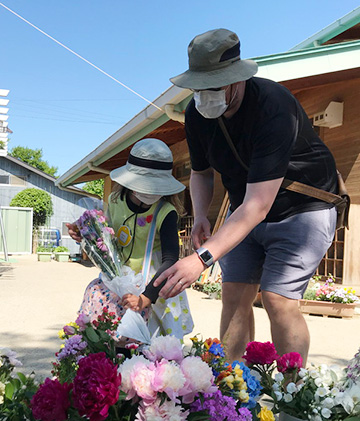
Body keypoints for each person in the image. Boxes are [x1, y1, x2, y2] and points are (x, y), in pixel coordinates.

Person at [154, 28, 338, 364]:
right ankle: (233, 391)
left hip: (304, 206)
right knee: (234, 295)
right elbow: (200, 171)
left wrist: (201, 259)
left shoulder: (273, 105)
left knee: (277, 298)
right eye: (198, 87)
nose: (204, 95)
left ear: (236, 78)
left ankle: (292, 393)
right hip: (246, 211)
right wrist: (202, 215)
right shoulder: (196, 115)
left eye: (214, 85)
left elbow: (258, 204)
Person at [67, 138, 193, 340]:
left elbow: (170, 260)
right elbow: (106, 239)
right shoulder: (115, 202)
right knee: (106, 327)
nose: (151, 191)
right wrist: (84, 234)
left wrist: (146, 298)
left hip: (154, 284)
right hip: (117, 279)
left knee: (147, 342)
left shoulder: (166, 212)